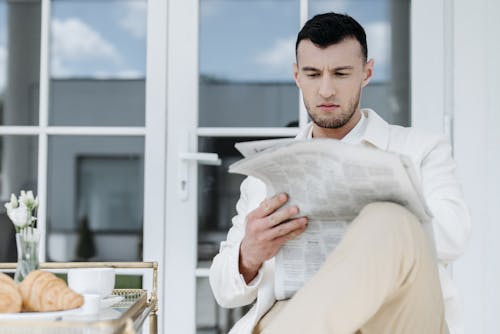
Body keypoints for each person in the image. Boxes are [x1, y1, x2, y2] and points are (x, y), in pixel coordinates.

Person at [209, 12, 470, 334]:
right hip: (294, 309)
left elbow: (454, 236)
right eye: (313, 74)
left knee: (390, 218)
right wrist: (249, 254)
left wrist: (378, 213)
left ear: (366, 73)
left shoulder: (422, 149)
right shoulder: (267, 173)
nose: (327, 90)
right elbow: (223, 290)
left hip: (396, 313)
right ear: (296, 76)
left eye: (341, 73)